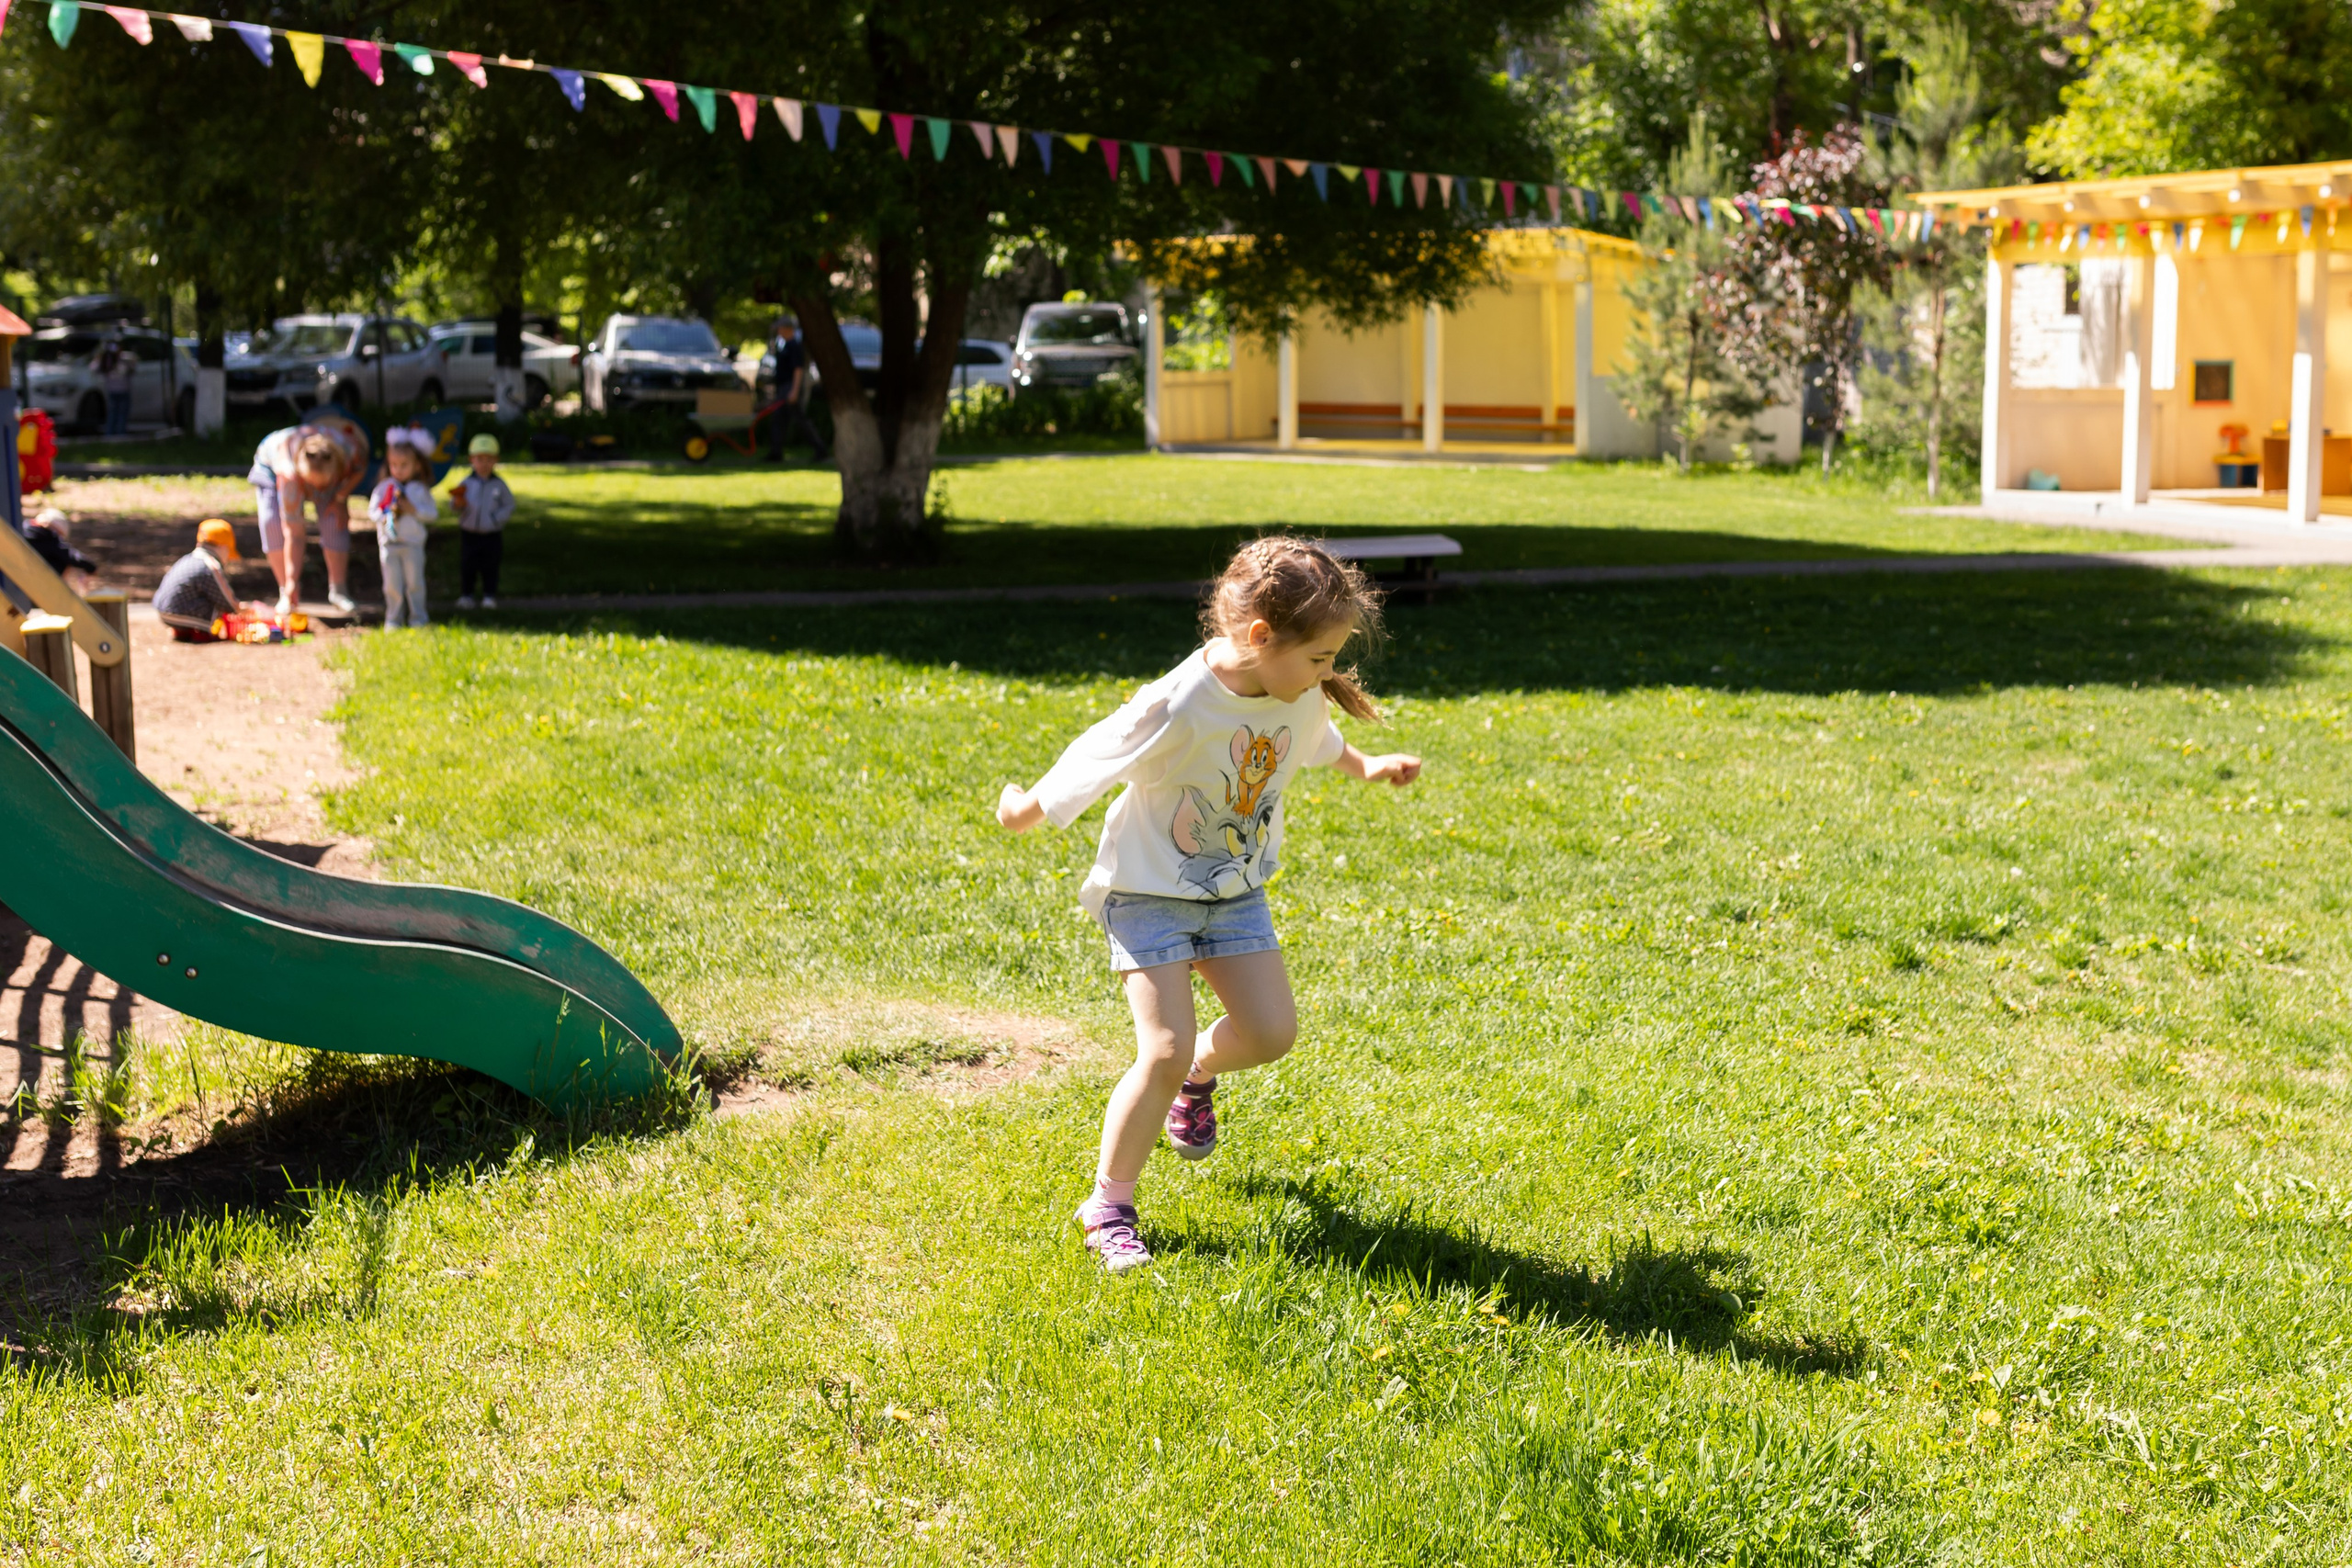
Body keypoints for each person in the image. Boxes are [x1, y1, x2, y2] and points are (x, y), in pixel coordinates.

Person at [994, 537, 1424, 1273]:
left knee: (1269, 1032)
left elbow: (1318, 741)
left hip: (1235, 892)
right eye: (1322, 658)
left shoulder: (1294, 691)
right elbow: (1098, 752)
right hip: (1148, 894)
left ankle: (1198, 1075)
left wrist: (1369, 765)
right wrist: (1027, 809)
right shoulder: (1179, 702)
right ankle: (1108, 1205)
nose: (1332, 674)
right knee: (1157, 1050)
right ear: (1261, 638)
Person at [248, 412, 368, 616]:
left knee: (334, 519)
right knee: (272, 524)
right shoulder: (289, 473)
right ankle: (287, 592)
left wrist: (339, 497)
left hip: (325, 470)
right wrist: (293, 580)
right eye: (312, 485)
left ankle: (339, 591)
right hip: (270, 464)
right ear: (303, 476)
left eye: (322, 485)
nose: (316, 491)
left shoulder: (349, 449)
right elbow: (294, 533)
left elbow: (361, 467)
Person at [369, 426, 439, 628]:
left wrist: (413, 510)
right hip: (389, 544)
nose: (398, 469)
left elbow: (432, 514)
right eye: (393, 464)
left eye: (404, 465)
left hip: (413, 545)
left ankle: (418, 618)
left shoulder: (420, 490)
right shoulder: (384, 487)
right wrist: (384, 516)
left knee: (415, 584)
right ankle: (393, 619)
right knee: (392, 585)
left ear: (417, 465)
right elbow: (372, 510)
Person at [446, 433, 514, 609]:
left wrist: (495, 520)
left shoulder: (499, 484)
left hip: (491, 534)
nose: (484, 464)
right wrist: (458, 504)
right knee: (468, 565)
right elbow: (454, 504)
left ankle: (489, 596)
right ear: (471, 460)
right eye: (480, 459)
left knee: (490, 566)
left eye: (488, 459)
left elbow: (509, 505)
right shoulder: (466, 483)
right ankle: (467, 595)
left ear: (496, 460)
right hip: (469, 533)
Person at [152, 519, 244, 642]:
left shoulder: (188, 558)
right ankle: (201, 634)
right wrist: (242, 608)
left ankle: (182, 631)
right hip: (179, 612)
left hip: (162, 610)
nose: (227, 560)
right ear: (223, 547)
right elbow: (226, 601)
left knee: (195, 595)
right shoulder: (210, 565)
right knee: (215, 605)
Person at [763, 315, 830, 463]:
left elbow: (798, 370)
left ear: (787, 329)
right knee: (779, 419)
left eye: (780, 328)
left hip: (791, 387)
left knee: (800, 420)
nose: (778, 331)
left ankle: (820, 449)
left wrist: (794, 390)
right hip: (784, 387)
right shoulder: (784, 346)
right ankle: (776, 452)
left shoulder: (794, 346)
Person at [24, 508, 96, 594]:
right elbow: (72, 557)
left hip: (21, 579)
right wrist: (91, 568)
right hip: (38, 586)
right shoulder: (47, 537)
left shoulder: (23, 528)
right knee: (63, 561)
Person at [93, 332, 136, 437]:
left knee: (115, 413)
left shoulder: (117, 359)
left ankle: (113, 434)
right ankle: (117, 434)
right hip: (120, 390)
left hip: (114, 390)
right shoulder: (116, 359)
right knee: (119, 413)